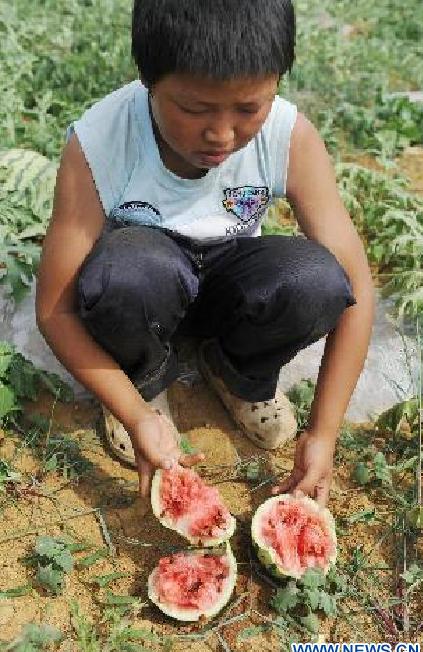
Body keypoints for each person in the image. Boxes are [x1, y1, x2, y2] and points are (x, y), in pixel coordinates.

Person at [36, 0, 375, 507]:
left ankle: (238, 371)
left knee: (317, 280)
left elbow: (358, 289)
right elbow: (54, 308)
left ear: (276, 84)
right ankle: (144, 379)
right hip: (144, 288)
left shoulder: (289, 136)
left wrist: (323, 433)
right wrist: (135, 416)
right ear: (149, 81)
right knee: (127, 272)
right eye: (194, 109)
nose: (221, 134)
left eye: (248, 109)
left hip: (229, 282)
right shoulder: (101, 139)